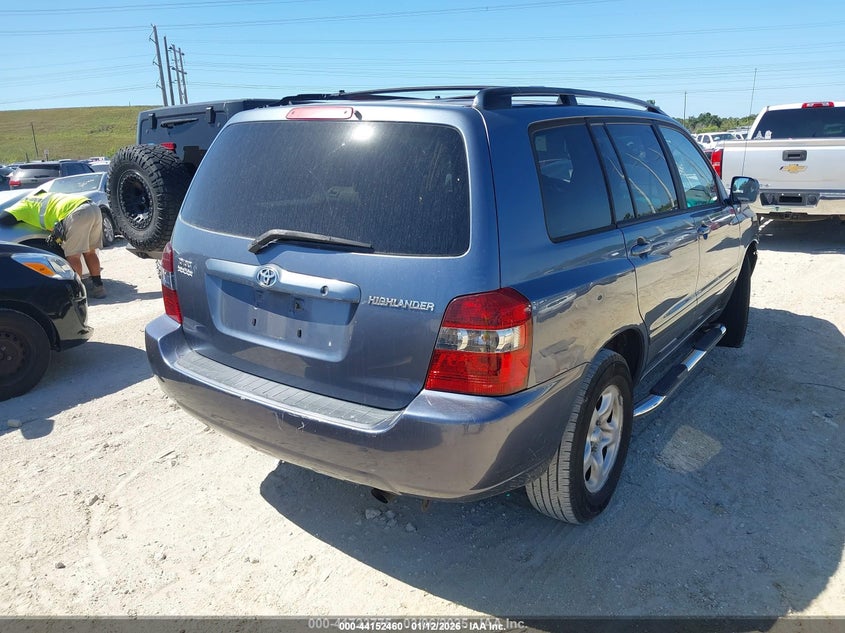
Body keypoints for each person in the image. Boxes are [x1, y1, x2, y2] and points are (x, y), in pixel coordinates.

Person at [4, 189, 107, 298]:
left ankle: (77, 292)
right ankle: (99, 288)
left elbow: (4, 219)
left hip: (77, 213)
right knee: (90, 252)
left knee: (73, 256)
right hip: (92, 207)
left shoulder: (20, 207)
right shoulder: (41, 196)